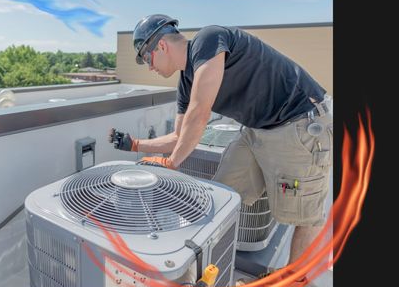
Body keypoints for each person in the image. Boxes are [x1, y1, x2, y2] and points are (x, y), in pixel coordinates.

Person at [109, 14, 332, 269]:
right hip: (258, 129)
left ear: (161, 45)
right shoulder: (186, 82)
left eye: (146, 58)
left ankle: (293, 284)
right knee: (221, 194)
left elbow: (200, 112)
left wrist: (171, 163)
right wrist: (135, 144)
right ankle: (206, 266)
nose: (149, 67)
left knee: (306, 215)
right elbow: (179, 136)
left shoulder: (209, 38)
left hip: (301, 121)